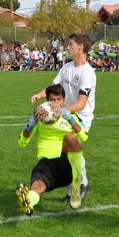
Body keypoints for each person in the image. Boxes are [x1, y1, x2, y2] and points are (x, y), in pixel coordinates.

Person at [30, 33, 96, 202]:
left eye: (71, 44)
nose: (68, 47)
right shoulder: (66, 68)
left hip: (81, 117)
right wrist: (39, 95)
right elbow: (52, 87)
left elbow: (81, 104)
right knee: (63, 153)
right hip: (64, 114)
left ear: (81, 47)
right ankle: (70, 192)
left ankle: (83, 183)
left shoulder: (88, 73)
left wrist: (61, 110)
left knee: (72, 141)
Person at [17, 84, 88, 215]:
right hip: (47, 163)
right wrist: (30, 125)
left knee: (71, 138)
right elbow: (22, 142)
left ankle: (76, 185)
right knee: (37, 186)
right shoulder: (40, 118)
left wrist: (69, 117)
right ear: (47, 101)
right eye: (52, 100)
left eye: (58, 99)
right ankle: (29, 201)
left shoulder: (72, 117)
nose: (55, 103)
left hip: (66, 161)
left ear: (63, 100)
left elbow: (83, 137)